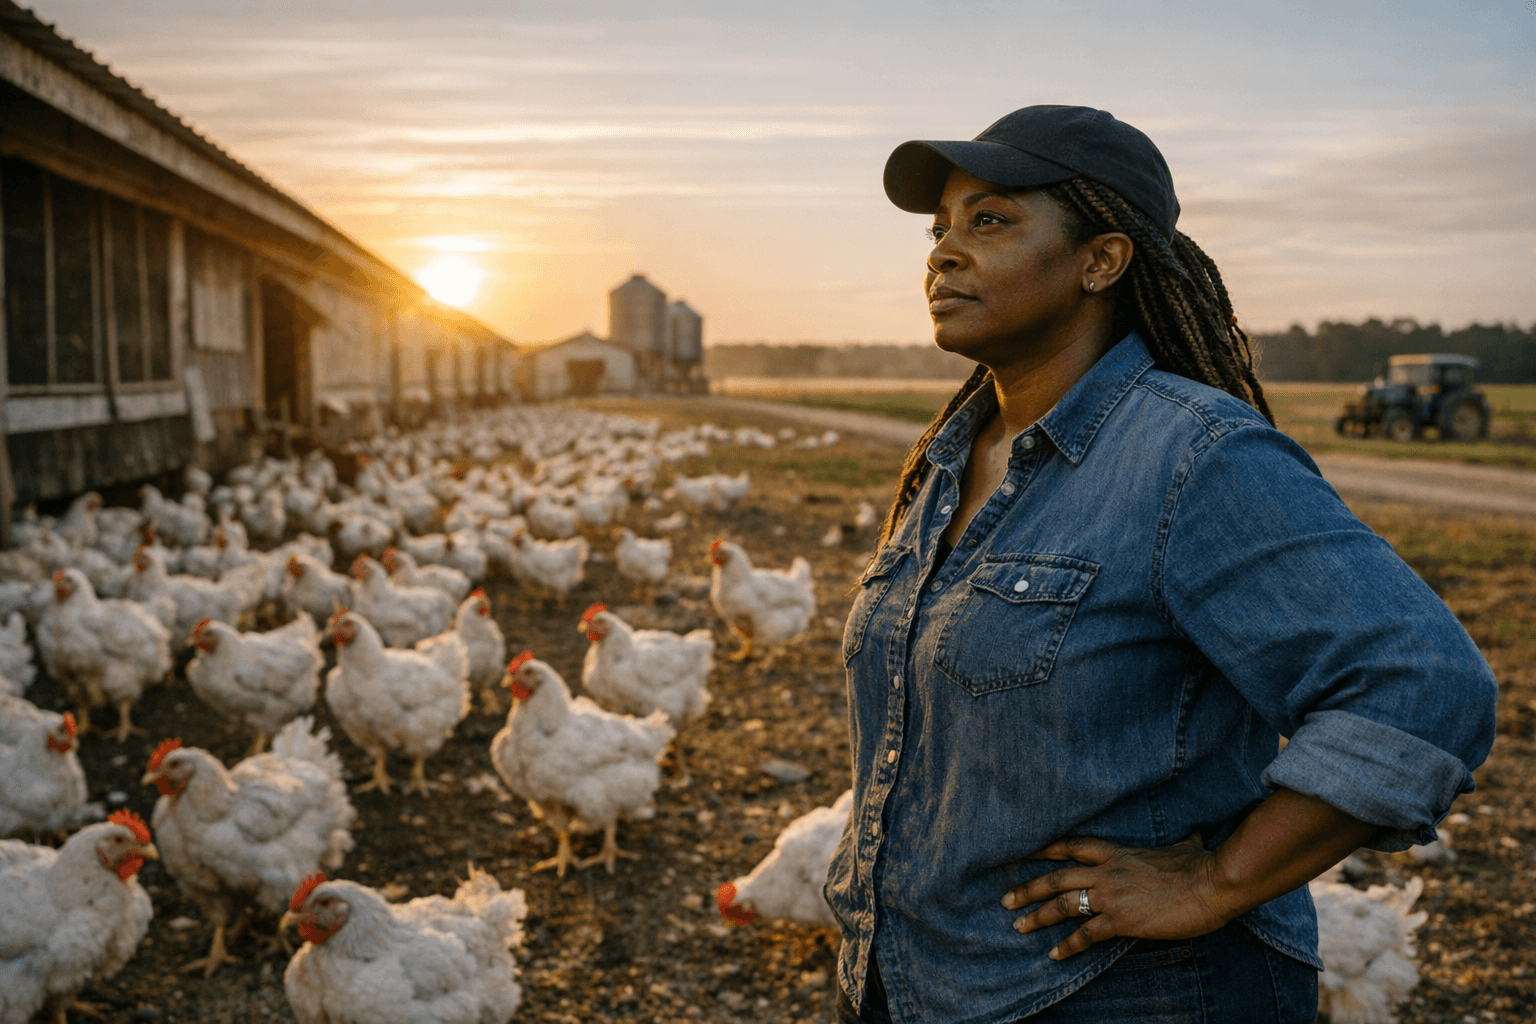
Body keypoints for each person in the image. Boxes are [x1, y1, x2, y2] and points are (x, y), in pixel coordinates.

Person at [826, 104, 1498, 1024]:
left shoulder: (1193, 455)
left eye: (990, 220)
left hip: (1123, 995)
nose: (941, 251)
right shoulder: (950, 457)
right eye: (941, 228)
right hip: (933, 985)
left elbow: (1422, 684)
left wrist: (1219, 879)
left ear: (1102, 260)